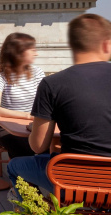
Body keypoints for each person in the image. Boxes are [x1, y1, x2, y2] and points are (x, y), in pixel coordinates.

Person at [7, 14, 111, 197]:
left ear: (73, 46)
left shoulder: (52, 84)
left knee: (14, 167)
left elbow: (38, 147)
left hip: (71, 181)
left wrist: (35, 128)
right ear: (106, 44)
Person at [0, 33, 44, 160]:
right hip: (7, 127)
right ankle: (22, 178)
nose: (36, 54)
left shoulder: (37, 72)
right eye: (32, 50)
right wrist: (26, 115)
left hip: (33, 125)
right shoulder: (1, 77)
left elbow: (48, 100)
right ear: (19, 52)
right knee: (24, 146)